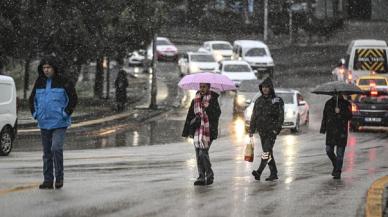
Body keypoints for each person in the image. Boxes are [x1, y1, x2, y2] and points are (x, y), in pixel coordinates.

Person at [29, 56, 78, 189]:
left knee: (56, 148)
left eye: (49, 67)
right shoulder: (39, 81)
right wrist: (35, 114)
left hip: (59, 123)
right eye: (44, 67)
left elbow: (73, 98)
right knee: (47, 153)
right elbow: (32, 100)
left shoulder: (64, 81)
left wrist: (65, 113)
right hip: (44, 123)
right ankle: (48, 180)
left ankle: (59, 178)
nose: (46, 70)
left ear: (54, 68)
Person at [182, 83, 221, 186]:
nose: (202, 89)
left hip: (208, 130)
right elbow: (190, 116)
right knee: (198, 154)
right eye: (201, 87)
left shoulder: (213, 99)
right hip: (197, 130)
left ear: (208, 87)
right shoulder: (195, 100)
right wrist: (189, 131)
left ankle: (209, 174)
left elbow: (217, 114)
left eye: (204, 87)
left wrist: (207, 111)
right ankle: (201, 177)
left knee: (202, 153)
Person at [249, 77, 284, 181]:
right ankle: (274, 173)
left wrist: (276, 129)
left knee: (266, 151)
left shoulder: (276, 100)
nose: (265, 89)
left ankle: (259, 172)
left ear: (270, 88)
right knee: (268, 152)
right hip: (262, 131)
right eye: (263, 87)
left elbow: (281, 116)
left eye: (267, 87)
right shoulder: (258, 101)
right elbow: (254, 115)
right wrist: (251, 129)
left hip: (271, 131)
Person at [320, 94, 352, 179]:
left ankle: (337, 172)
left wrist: (340, 112)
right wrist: (323, 129)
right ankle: (336, 164)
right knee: (328, 150)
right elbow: (325, 117)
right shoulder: (328, 103)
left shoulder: (347, 104)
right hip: (331, 132)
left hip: (342, 132)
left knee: (340, 154)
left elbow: (350, 116)